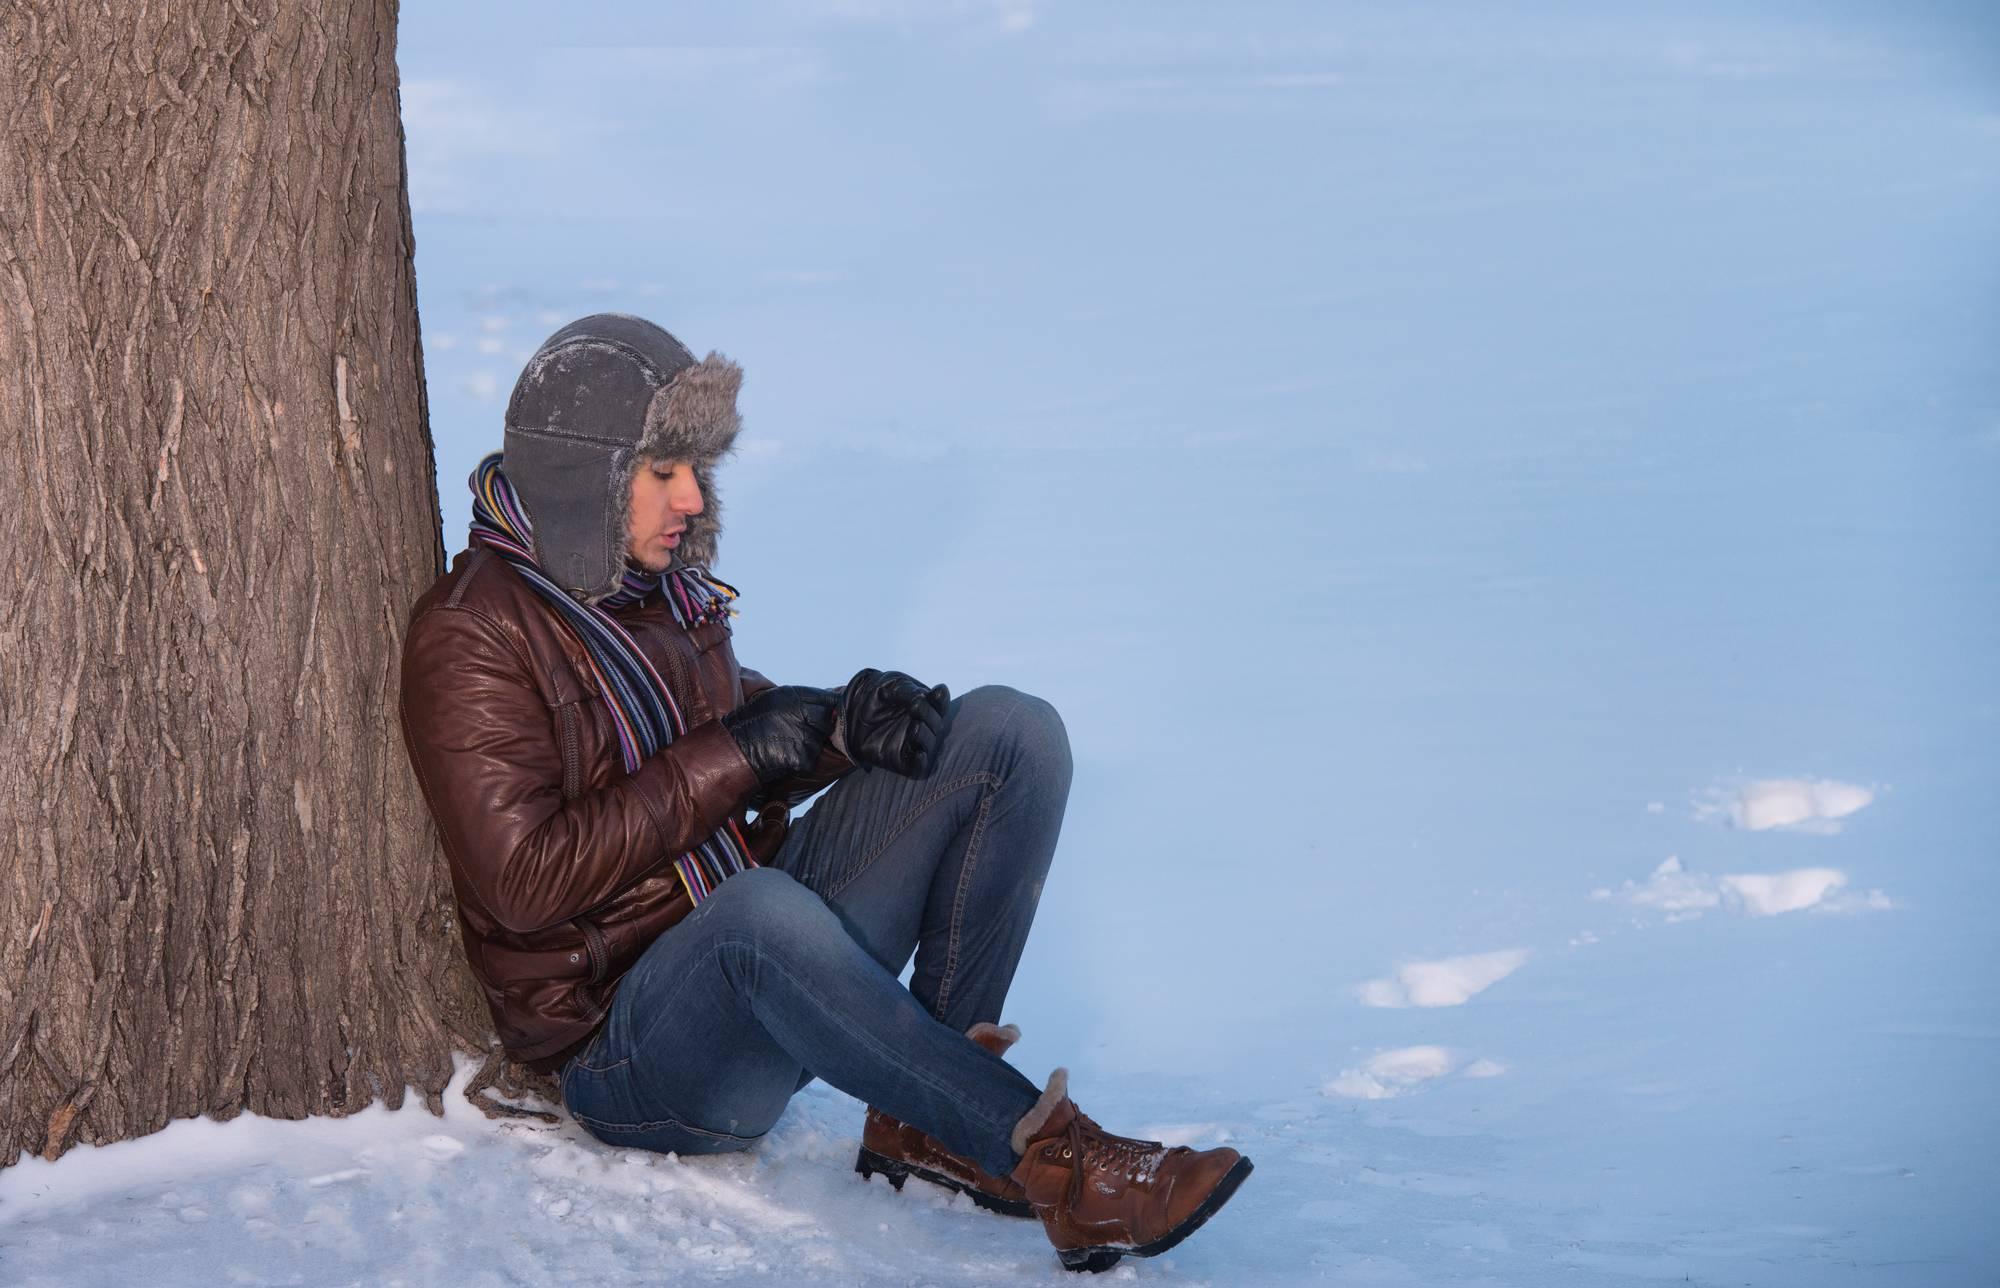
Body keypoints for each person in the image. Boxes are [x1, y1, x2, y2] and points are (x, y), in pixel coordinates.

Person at [397, 313, 1252, 1273]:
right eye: (663, 470)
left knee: (1008, 732)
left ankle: (922, 1119)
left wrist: (840, 725)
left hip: (748, 960)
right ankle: (1059, 1164)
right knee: (759, 907)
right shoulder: (473, 636)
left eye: (698, 470)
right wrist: (744, 750)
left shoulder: (647, 586)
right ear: (584, 474)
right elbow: (522, 880)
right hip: (632, 1055)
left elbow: (727, 727)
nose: (691, 497)